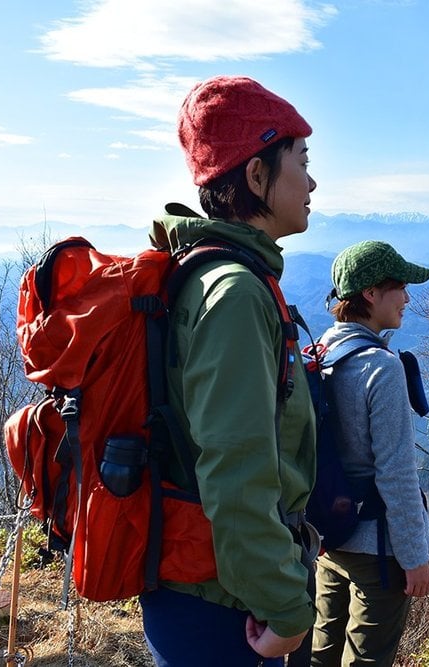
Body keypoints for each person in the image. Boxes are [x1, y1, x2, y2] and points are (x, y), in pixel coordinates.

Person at [139, 75, 318, 666]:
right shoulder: (236, 293)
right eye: (301, 159)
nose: (312, 181)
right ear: (256, 174)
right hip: (225, 605)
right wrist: (287, 609)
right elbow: (236, 471)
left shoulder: (207, 272)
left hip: (206, 590)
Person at [310, 241, 429, 667]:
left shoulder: (318, 354)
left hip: (328, 535)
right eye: (399, 286)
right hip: (378, 550)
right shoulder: (382, 368)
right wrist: (415, 559)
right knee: (367, 659)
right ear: (370, 293)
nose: (407, 298)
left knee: (319, 653)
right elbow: (397, 474)